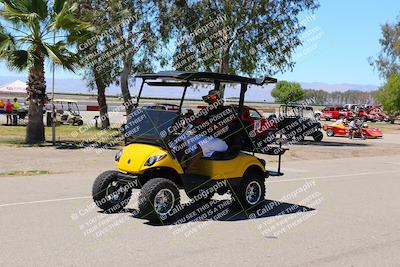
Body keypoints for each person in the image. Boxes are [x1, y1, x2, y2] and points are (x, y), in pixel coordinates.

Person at [182, 89, 229, 174]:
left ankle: (187, 172)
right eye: (210, 97)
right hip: (205, 137)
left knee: (202, 144)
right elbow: (196, 121)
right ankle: (180, 165)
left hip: (221, 141)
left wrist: (204, 122)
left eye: (212, 97)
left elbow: (221, 129)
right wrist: (191, 117)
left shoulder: (224, 112)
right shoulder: (206, 111)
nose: (210, 99)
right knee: (184, 138)